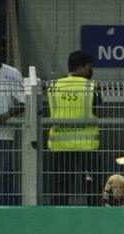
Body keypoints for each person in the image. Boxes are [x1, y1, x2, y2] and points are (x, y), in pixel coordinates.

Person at [46, 50, 102, 206]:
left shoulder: (54, 86)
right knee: (93, 184)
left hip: (60, 145)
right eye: (89, 67)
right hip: (87, 145)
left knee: (60, 188)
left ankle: (57, 218)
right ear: (81, 67)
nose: (90, 70)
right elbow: (97, 112)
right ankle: (94, 215)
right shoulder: (91, 87)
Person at [0, 40, 24, 205]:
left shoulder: (11, 73)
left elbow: (24, 103)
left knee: (1, 175)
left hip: (2, 135)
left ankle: (6, 211)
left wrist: (7, 114)